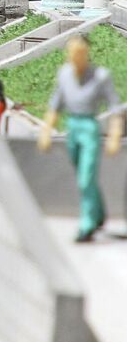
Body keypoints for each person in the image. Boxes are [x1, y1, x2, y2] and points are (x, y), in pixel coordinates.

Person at [38, 35, 122, 243]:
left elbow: (115, 108)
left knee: (86, 177)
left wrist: (114, 135)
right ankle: (98, 213)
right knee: (84, 176)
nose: (75, 56)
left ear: (86, 53)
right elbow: (55, 104)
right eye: (71, 51)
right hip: (73, 127)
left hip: (89, 127)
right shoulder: (64, 74)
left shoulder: (100, 76)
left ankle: (87, 224)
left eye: (79, 51)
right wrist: (46, 131)